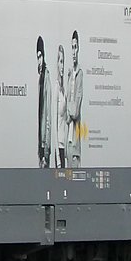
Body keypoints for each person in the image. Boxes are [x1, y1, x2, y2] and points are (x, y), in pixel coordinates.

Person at [67, 30, 84, 167]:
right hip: (68, 134)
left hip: (76, 132)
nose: (73, 51)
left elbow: (74, 112)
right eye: (71, 47)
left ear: (78, 49)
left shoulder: (79, 74)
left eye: (75, 47)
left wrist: (69, 109)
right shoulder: (69, 74)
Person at [36, 36, 51, 168]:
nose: (39, 61)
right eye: (37, 57)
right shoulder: (40, 80)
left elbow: (48, 118)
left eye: (40, 56)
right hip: (40, 148)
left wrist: (46, 152)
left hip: (44, 147)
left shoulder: (47, 78)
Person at [55, 44, 68, 169]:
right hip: (59, 146)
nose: (62, 65)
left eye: (63, 61)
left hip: (65, 146)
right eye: (60, 61)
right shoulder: (56, 88)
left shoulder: (64, 89)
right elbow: (54, 124)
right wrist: (58, 158)